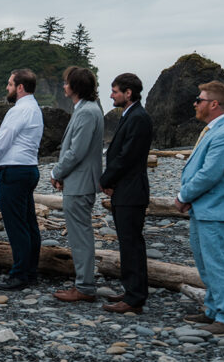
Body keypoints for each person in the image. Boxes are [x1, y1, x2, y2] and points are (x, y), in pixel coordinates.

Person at [175, 81, 224, 334]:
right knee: (206, 264)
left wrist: (183, 195)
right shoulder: (215, 128)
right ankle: (213, 310)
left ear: (214, 104)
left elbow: (210, 174)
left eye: (199, 99)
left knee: (217, 264)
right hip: (205, 208)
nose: (195, 103)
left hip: (216, 209)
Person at [99, 73, 153, 314]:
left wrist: (106, 179)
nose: (111, 95)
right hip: (126, 189)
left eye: (115, 91)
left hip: (131, 191)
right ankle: (132, 290)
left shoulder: (139, 118)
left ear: (128, 92)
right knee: (128, 243)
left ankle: (135, 298)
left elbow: (127, 157)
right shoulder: (130, 115)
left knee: (131, 244)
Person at [0, 69, 44, 291]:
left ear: (20, 87)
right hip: (29, 169)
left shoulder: (19, 110)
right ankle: (30, 271)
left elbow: (4, 139)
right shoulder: (35, 109)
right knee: (29, 223)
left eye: (10, 84)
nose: (7, 88)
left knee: (16, 225)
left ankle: (19, 274)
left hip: (15, 171)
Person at [50, 67, 104, 303]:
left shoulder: (86, 112)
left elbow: (76, 152)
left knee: (80, 236)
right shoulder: (88, 109)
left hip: (80, 182)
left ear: (75, 87)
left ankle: (84, 286)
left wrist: (57, 172)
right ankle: (84, 283)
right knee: (80, 234)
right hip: (80, 181)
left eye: (66, 83)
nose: (63, 86)